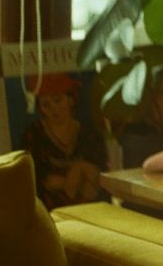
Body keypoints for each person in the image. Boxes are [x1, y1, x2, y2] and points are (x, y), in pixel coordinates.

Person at [20, 73, 109, 209]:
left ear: (71, 100)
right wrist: (72, 181)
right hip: (50, 211)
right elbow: (35, 178)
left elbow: (101, 172)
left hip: (92, 206)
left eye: (58, 100)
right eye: (46, 104)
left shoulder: (88, 133)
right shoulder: (34, 135)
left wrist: (80, 171)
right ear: (40, 109)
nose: (54, 109)